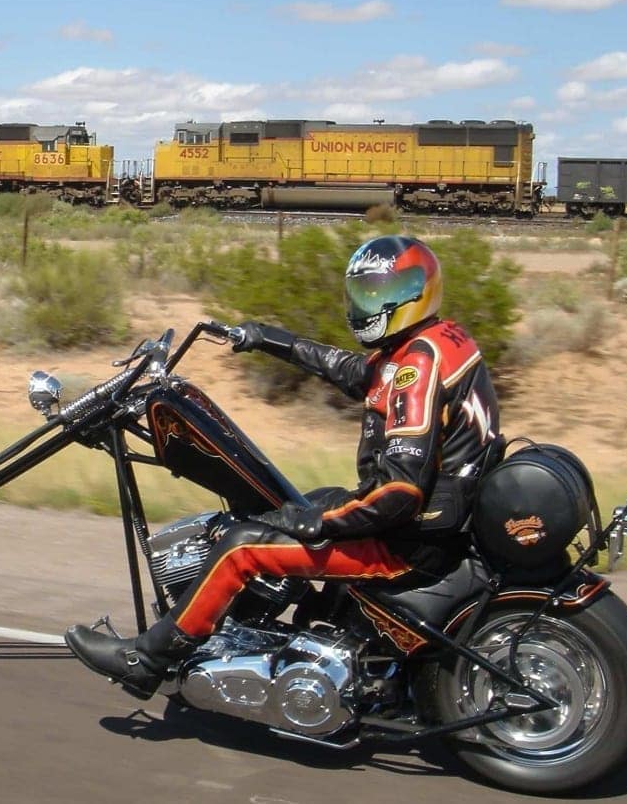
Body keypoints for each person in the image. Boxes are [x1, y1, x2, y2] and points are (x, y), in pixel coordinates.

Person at [65, 234, 504, 699]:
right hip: (439, 525)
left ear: (415, 293)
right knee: (292, 506)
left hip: (407, 542)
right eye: (362, 293)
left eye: (379, 293)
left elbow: (399, 493)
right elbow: (351, 370)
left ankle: (148, 659)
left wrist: (318, 523)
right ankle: (279, 629)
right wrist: (266, 338)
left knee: (242, 546)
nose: (367, 304)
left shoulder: (415, 369)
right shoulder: (438, 341)